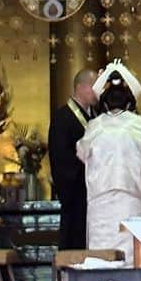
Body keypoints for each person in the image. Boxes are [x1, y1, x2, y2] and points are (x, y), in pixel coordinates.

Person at [76, 61, 141, 281]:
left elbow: (81, 152)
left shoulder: (94, 126)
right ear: (128, 101)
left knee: (103, 246)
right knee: (128, 248)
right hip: (130, 196)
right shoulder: (138, 125)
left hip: (101, 198)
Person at [48, 68, 97, 249]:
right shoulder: (62, 118)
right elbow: (61, 160)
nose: (97, 91)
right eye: (93, 86)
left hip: (95, 195)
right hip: (76, 193)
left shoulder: (96, 116)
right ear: (80, 87)